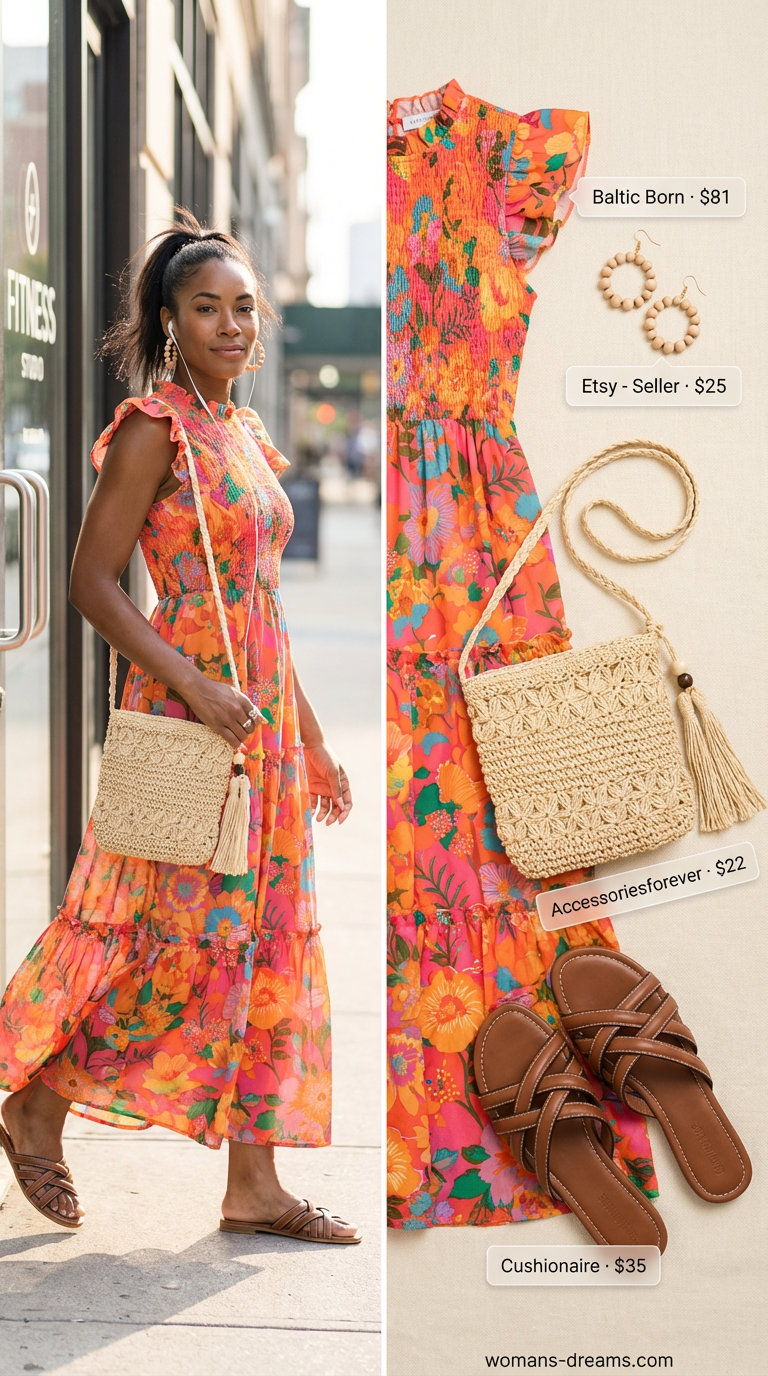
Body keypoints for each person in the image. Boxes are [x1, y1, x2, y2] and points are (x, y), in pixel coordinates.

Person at [0, 209, 360, 1245]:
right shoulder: (153, 425)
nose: (232, 324)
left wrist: (317, 735)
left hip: (264, 733)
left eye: (245, 306)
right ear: (171, 320)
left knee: (262, 942)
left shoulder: (244, 430)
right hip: (189, 718)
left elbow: (261, 604)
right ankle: (37, 1102)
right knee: (163, 942)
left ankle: (255, 1183)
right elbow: (90, 581)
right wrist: (197, 688)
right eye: (208, 308)